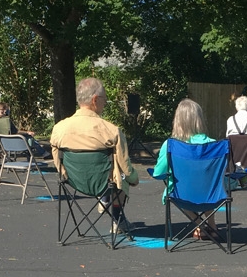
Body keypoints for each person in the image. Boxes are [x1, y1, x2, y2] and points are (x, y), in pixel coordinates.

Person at [51, 77, 139, 233]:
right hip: (103, 182)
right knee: (123, 177)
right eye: (104, 99)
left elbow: (58, 160)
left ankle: (106, 202)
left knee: (118, 175)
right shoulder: (112, 131)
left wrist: (64, 174)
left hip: (73, 180)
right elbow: (125, 165)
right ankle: (117, 217)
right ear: (95, 100)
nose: (105, 102)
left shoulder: (59, 128)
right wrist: (133, 178)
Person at [152, 99, 221, 240]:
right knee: (207, 183)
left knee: (181, 187)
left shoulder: (171, 145)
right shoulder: (214, 145)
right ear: (200, 119)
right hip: (211, 195)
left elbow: (158, 173)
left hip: (182, 194)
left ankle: (199, 225)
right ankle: (211, 225)